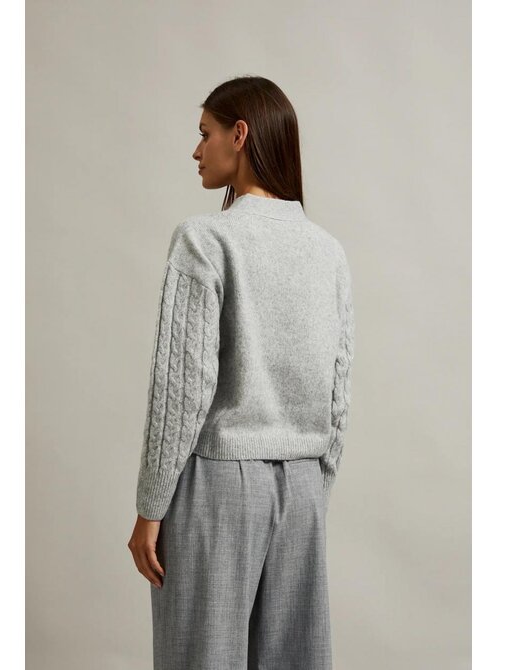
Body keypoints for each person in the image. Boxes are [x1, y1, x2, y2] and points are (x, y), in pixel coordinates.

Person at [127, 75, 355, 670]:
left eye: (205, 133)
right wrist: (315, 488)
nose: (196, 150)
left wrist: (150, 507)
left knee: (201, 658)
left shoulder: (204, 239)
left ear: (240, 134)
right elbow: (338, 392)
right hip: (303, 486)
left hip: (219, 484)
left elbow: (183, 389)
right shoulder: (328, 252)